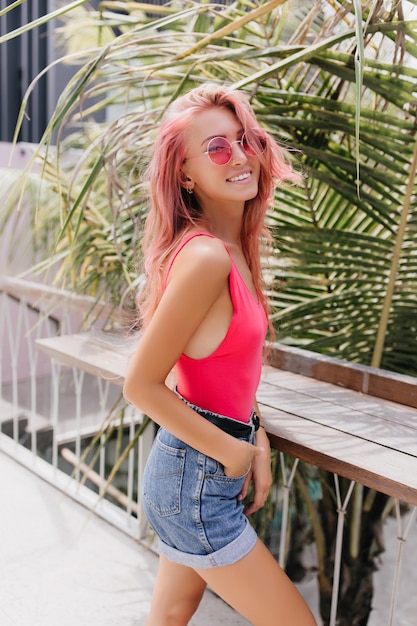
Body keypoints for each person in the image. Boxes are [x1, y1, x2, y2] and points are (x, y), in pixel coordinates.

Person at [123, 83, 317, 626]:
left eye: (246, 139)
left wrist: (253, 431)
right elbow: (140, 385)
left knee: (169, 618)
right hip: (197, 480)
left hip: (194, 469)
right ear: (185, 174)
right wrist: (233, 453)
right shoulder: (206, 258)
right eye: (215, 148)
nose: (239, 156)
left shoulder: (229, 251)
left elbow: (219, 374)